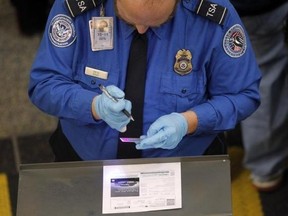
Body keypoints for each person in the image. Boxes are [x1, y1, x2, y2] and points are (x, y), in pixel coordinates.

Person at [28, 0, 261, 162]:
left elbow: (243, 95)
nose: (141, 29)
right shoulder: (77, 7)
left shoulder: (214, 16)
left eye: (157, 22)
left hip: (181, 164)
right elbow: (44, 83)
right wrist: (94, 106)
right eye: (129, 20)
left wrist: (188, 122)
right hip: (84, 158)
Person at [228, 0, 288, 191]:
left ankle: (205, 162)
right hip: (257, 8)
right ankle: (265, 168)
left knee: (202, 74)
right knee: (264, 77)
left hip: (197, 7)